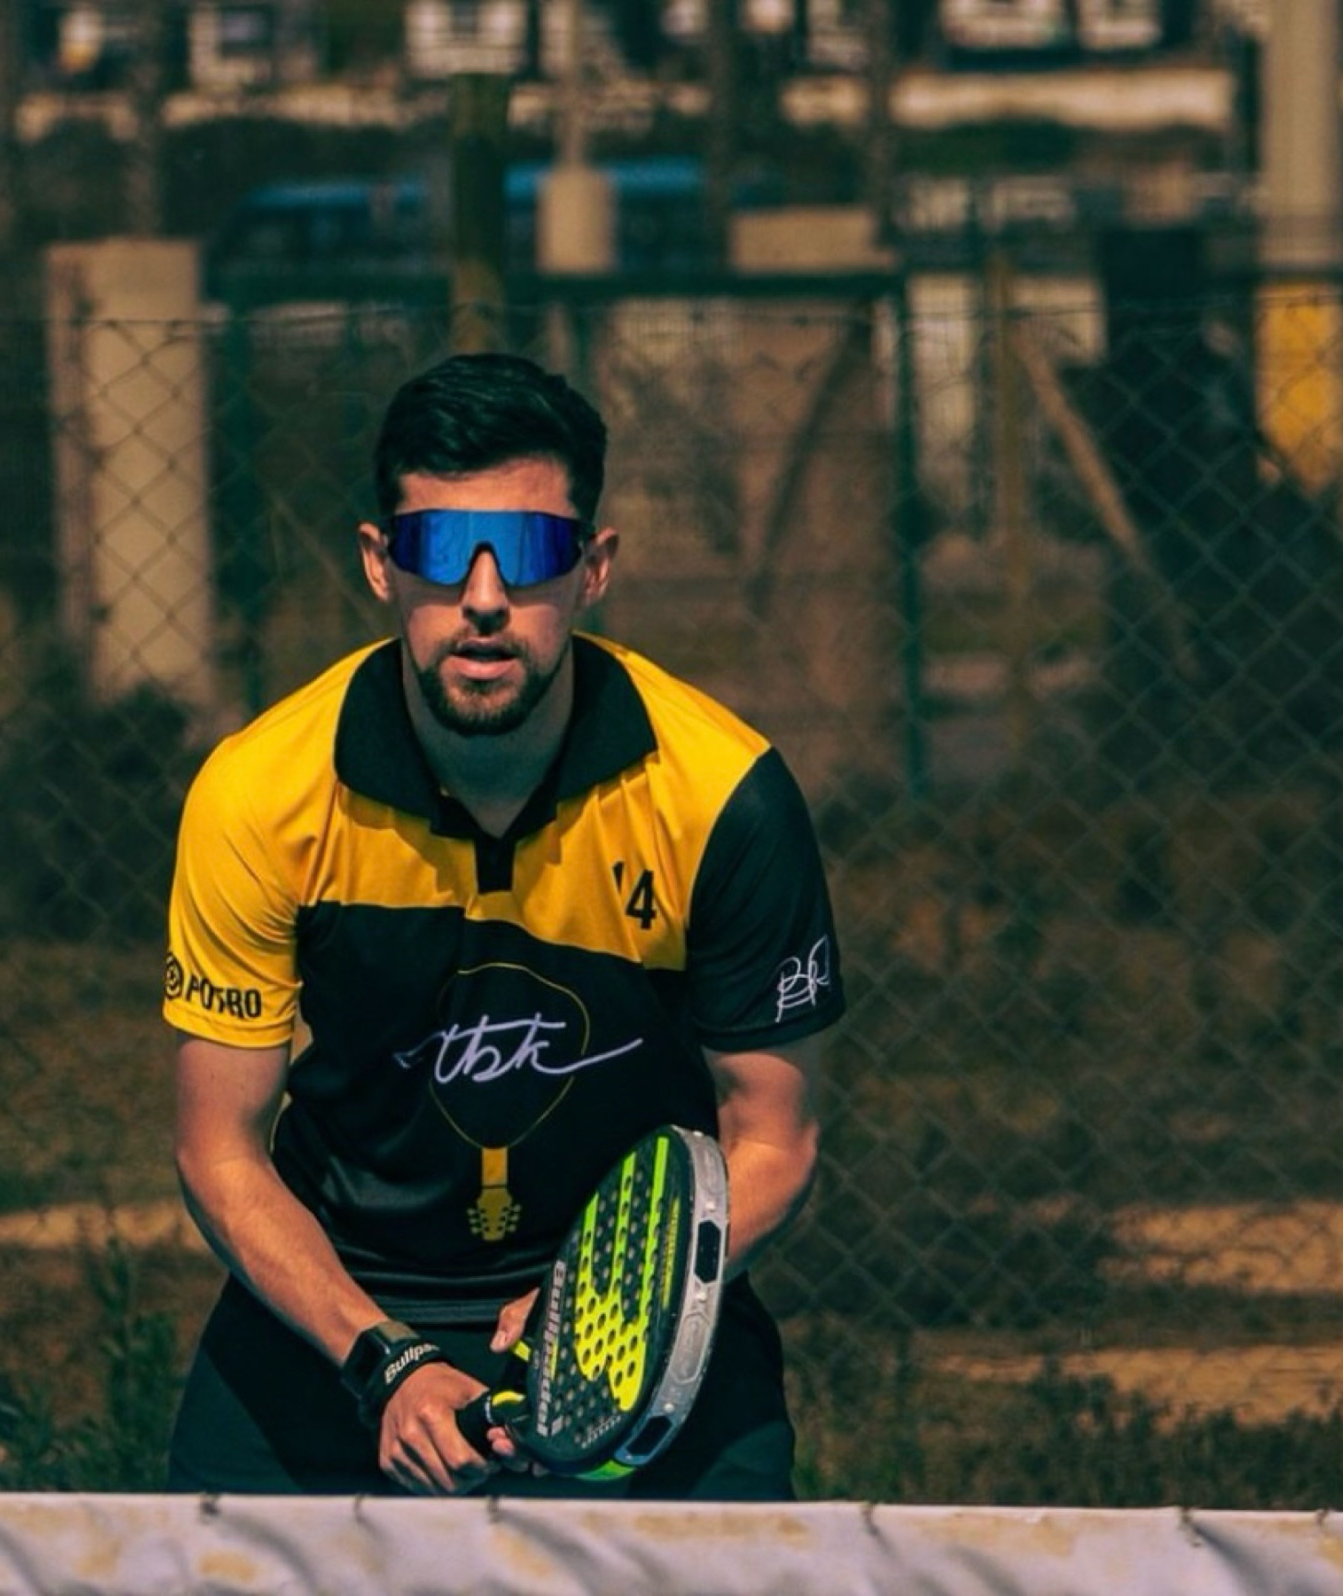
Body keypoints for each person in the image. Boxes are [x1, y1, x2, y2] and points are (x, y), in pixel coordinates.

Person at [161, 351, 846, 1499]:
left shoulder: (723, 795)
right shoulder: (256, 791)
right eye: (440, 550)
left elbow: (775, 1140)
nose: (483, 598)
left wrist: (606, 1313)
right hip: (343, 1300)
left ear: (592, 568)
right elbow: (216, 1149)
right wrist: (384, 1361)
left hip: (628, 1301)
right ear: (380, 563)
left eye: (526, 552)